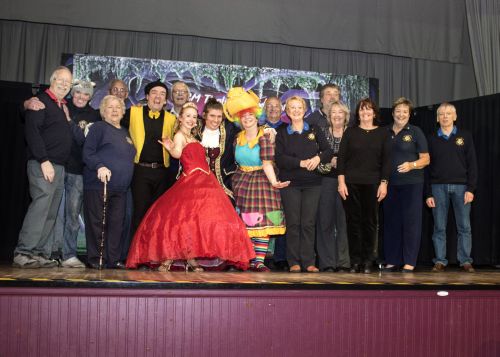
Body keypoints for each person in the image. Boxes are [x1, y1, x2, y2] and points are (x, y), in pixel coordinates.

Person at [126, 102, 255, 271]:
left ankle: (191, 257)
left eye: (194, 117)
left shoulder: (195, 136)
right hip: (191, 181)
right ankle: (170, 258)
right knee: (182, 220)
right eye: (187, 116)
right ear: (180, 118)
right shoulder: (180, 135)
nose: (191, 119)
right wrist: (170, 148)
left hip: (205, 180)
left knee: (196, 222)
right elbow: (178, 154)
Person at [13, 66, 83, 268]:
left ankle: (40, 252)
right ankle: (24, 251)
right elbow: (32, 132)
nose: (63, 84)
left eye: (67, 82)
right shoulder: (40, 102)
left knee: (51, 211)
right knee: (41, 206)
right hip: (43, 163)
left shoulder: (62, 106)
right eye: (60, 80)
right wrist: (43, 160)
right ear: (52, 80)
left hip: (59, 166)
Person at [225, 87, 289, 272]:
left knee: (261, 224)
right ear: (239, 120)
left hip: (262, 181)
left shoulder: (266, 134)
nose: (247, 119)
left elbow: (268, 163)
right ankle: (246, 258)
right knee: (245, 223)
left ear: (256, 116)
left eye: (250, 116)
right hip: (242, 181)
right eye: (243, 117)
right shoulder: (237, 138)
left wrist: (274, 182)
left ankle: (258, 261)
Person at [275, 95, 334, 273]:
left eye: (299, 107)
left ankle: (308, 262)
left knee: (308, 223)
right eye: (292, 108)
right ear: (287, 112)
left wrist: (317, 158)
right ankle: (293, 261)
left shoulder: (314, 129)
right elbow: (279, 158)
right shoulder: (282, 132)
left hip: (313, 183)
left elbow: (328, 151)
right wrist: (300, 163)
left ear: (305, 109)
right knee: (293, 223)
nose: (296, 110)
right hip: (290, 184)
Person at [337, 98, 391, 273]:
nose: (365, 113)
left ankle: (368, 261)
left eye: (369, 110)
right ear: (357, 113)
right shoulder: (350, 132)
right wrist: (341, 182)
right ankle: (355, 261)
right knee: (353, 223)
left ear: (374, 113)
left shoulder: (383, 133)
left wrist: (384, 183)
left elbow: (386, 161)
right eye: (362, 110)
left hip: (373, 184)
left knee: (370, 223)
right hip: (351, 184)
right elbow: (342, 160)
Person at [83, 95, 136, 269]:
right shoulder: (99, 128)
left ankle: (113, 260)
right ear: (103, 111)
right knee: (98, 222)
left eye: (118, 107)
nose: (114, 110)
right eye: (110, 107)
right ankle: (96, 259)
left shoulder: (125, 132)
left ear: (123, 112)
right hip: (100, 185)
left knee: (116, 225)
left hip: (121, 188)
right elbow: (88, 153)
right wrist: (100, 166)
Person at [425, 103, 478, 273]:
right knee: (439, 227)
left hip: (462, 188)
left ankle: (465, 261)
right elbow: (426, 168)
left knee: (464, 226)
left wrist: (471, 189)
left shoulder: (465, 136)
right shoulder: (431, 138)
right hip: (437, 187)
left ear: (455, 117)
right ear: (437, 118)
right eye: (441, 114)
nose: (445, 116)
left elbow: (473, 165)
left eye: (449, 113)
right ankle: (440, 260)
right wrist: (428, 193)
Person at [121, 80, 177, 233]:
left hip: (162, 172)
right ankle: (136, 255)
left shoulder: (172, 119)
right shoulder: (133, 112)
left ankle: (153, 253)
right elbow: (114, 124)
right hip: (140, 171)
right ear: (147, 96)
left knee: (158, 215)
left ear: (166, 100)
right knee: (139, 213)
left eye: (162, 94)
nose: (158, 97)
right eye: (154, 93)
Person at [383, 98, 429, 273]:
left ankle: (410, 261)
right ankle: (392, 260)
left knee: (411, 223)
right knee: (391, 223)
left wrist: (411, 165)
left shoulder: (416, 132)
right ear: (393, 112)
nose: (401, 114)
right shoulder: (384, 132)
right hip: (390, 185)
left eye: (405, 111)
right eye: (398, 111)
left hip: (412, 184)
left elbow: (426, 158)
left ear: (409, 114)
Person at [57, 80, 101, 268]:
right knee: (54, 213)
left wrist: (68, 121)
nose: (81, 97)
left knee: (72, 215)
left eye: (85, 94)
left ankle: (68, 255)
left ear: (90, 97)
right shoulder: (61, 106)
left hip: (77, 171)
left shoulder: (94, 115)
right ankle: (50, 252)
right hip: (56, 166)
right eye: (78, 93)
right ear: (71, 93)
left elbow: (84, 140)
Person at [316, 101, 351, 272]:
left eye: (340, 112)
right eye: (333, 113)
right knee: (325, 222)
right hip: (325, 181)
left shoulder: (352, 134)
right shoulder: (322, 133)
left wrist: (343, 162)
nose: (337, 115)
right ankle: (327, 263)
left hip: (347, 182)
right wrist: (329, 161)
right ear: (329, 116)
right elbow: (315, 155)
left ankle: (344, 262)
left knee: (344, 222)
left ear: (346, 116)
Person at [262, 96, 288, 271]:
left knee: (280, 216)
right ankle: (260, 255)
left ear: (282, 109)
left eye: (276, 106)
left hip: (283, 177)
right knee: (262, 217)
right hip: (262, 177)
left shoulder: (287, 129)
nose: (273, 109)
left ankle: (280, 256)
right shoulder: (257, 128)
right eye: (269, 106)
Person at [196, 97, 238, 197]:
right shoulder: (195, 129)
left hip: (224, 181)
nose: (216, 120)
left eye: (219, 116)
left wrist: (266, 129)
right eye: (212, 116)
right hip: (199, 183)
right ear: (204, 115)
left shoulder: (229, 128)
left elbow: (248, 125)